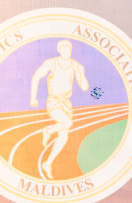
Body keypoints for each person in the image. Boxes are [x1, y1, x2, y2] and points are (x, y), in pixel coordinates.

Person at [29, 41, 88, 180]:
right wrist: (33, 97)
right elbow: (36, 77)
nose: (67, 51)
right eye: (64, 48)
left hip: (66, 103)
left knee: (63, 137)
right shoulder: (51, 63)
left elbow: (85, 87)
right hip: (54, 101)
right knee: (67, 123)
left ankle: (48, 164)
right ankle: (48, 131)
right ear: (59, 50)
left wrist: (81, 73)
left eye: (69, 48)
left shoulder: (76, 66)